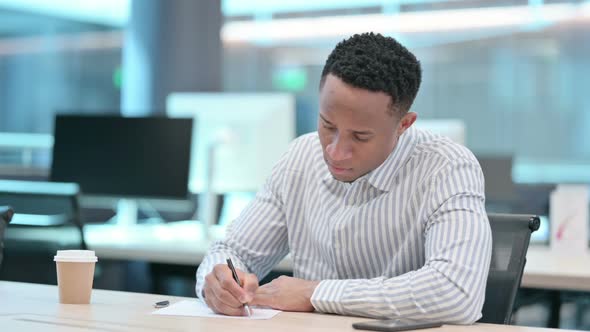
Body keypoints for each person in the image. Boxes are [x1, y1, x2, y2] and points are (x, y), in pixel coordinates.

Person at [195, 32, 492, 324]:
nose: (336, 152)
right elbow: (232, 251)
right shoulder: (300, 157)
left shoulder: (447, 168)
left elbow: (456, 293)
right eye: (327, 125)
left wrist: (316, 293)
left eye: (360, 136)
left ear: (404, 124)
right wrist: (220, 281)